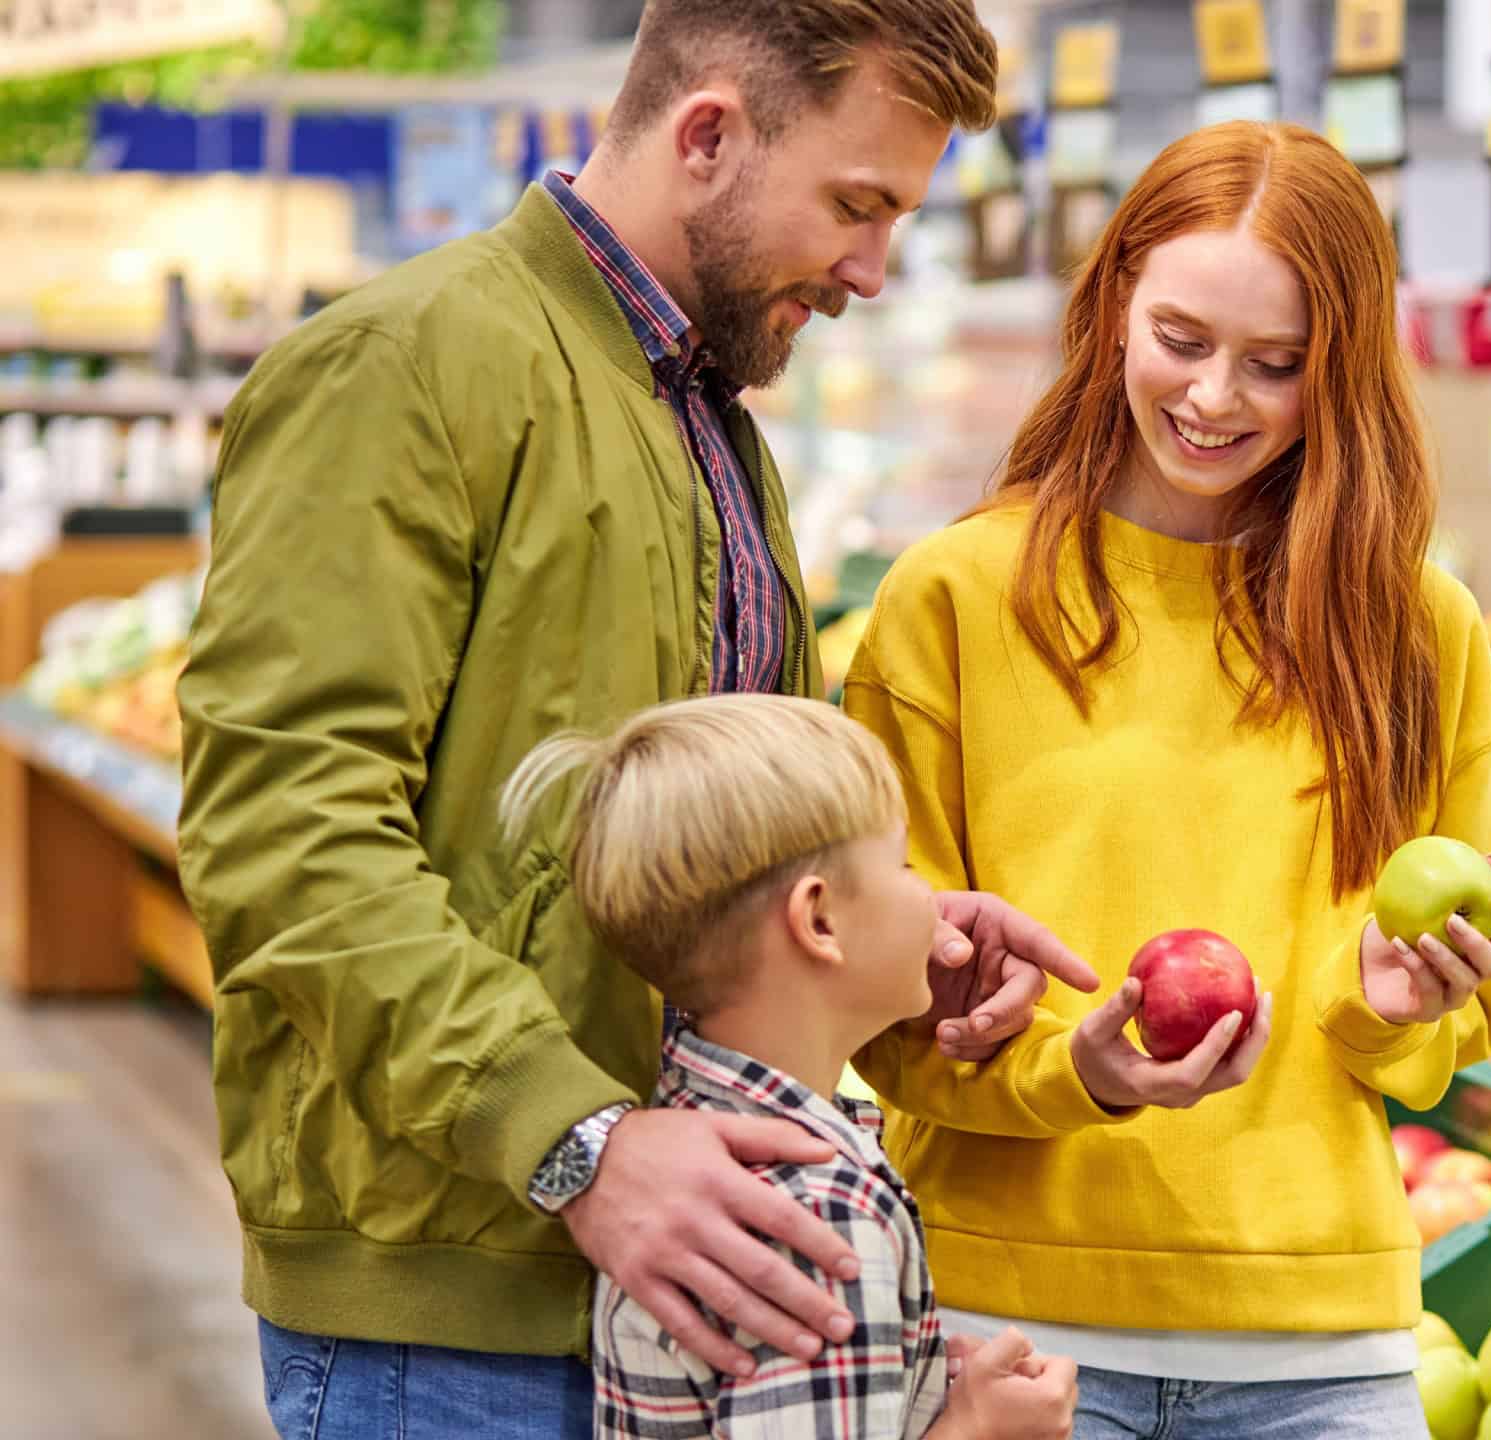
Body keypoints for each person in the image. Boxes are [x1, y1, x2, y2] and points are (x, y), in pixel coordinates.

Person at [175, 3, 1093, 1435]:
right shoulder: (406, 368)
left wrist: (883, 939)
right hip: (457, 1315)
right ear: (710, 134)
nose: (871, 269)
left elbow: (723, 854)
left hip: (675, 1289)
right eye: (855, 206)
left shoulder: (709, 425)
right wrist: (577, 1139)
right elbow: (284, 839)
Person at [840, 120, 1491, 1438]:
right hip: (1004, 1334)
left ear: (1346, 375)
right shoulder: (954, 601)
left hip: (1320, 1351)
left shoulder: (1418, 631)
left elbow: (1454, 1041)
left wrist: (1388, 1006)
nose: (1216, 399)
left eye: (1279, 365)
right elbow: (878, 1011)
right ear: (1111, 307)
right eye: (1181, 340)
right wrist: (1072, 1072)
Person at [502, 694, 1076, 1439]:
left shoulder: (682, 1140)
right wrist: (980, 1430)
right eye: (902, 864)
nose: (933, 901)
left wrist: (917, 1381)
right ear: (820, 921)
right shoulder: (819, 1213)